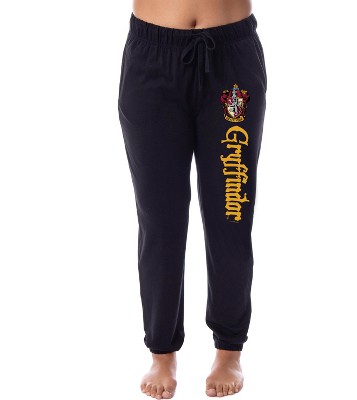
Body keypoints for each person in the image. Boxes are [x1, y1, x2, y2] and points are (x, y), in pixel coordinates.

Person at [117, 0, 267, 398]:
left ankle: (229, 349)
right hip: (152, 57)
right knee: (159, 218)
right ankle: (162, 351)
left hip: (230, 56)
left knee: (231, 212)